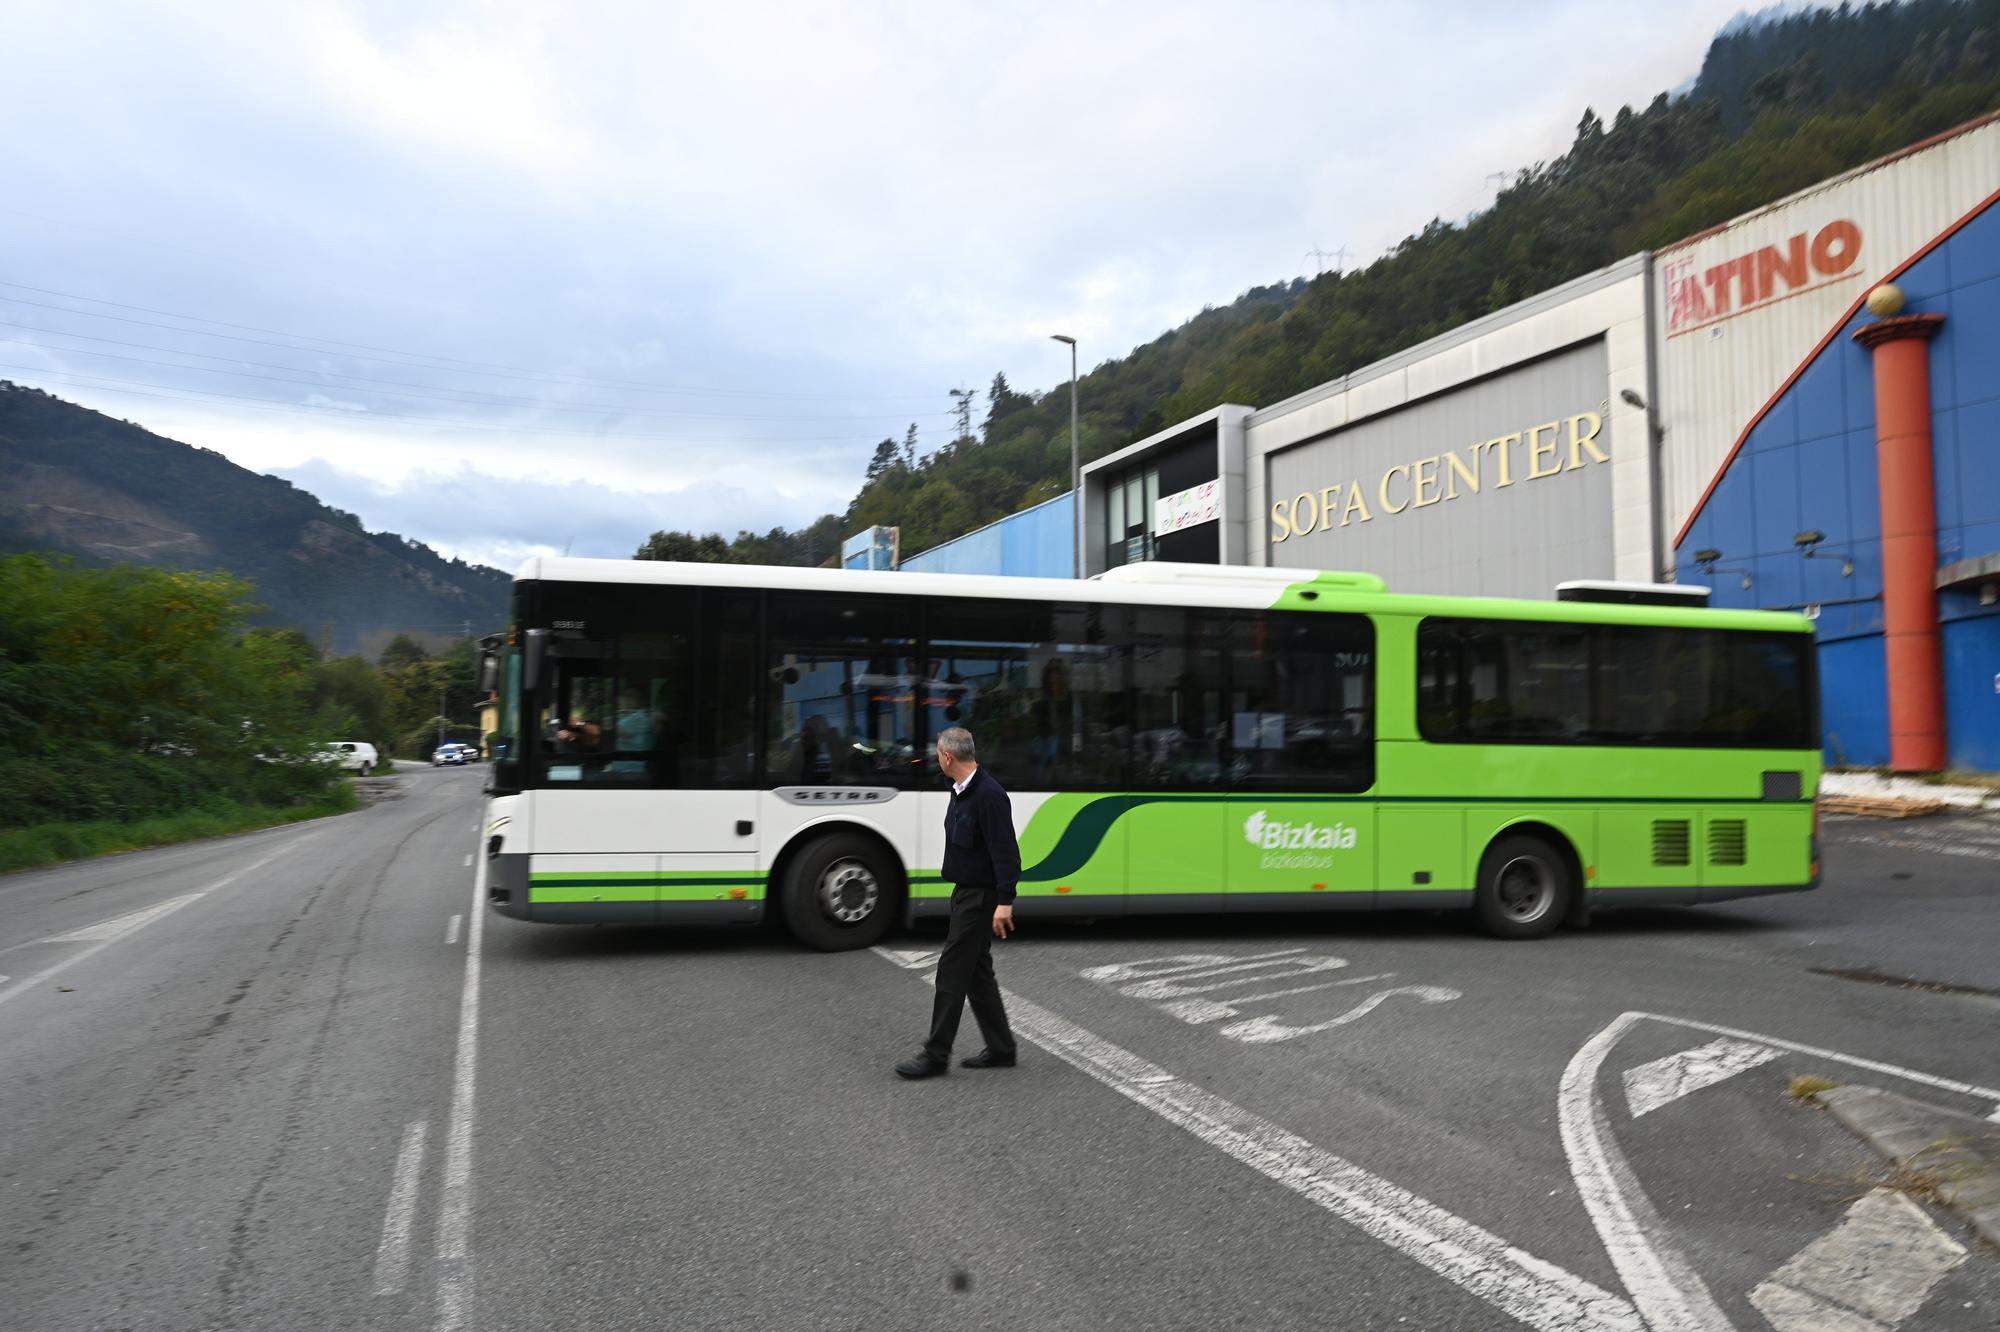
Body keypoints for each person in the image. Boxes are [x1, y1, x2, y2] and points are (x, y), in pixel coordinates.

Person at [895, 726, 1020, 1080]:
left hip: (980, 897)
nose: (937, 760)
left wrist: (1005, 901)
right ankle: (1001, 1049)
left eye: (938, 754)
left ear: (948, 757)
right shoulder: (960, 790)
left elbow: (1007, 853)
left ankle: (936, 1055)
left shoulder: (989, 796)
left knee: (951, 973)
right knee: (977, 973)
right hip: (966, 892)